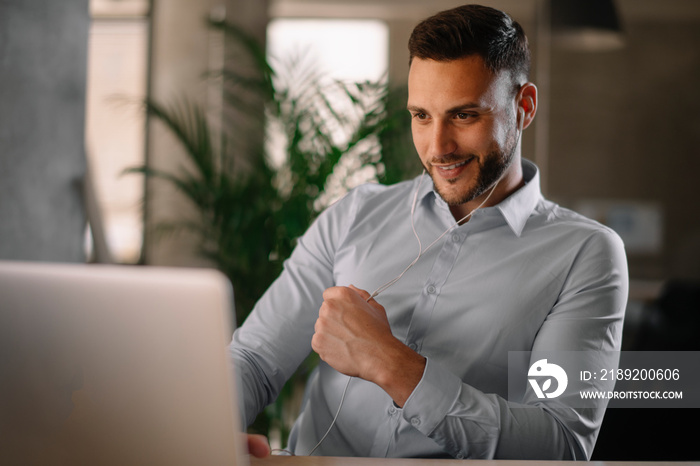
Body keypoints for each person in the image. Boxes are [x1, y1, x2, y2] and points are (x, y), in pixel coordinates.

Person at [231, 3, 628, 460]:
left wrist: (392, 363)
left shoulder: (586, 254)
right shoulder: (354, 214)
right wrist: (206, 426)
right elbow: (255, 360)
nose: (438, 147)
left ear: (524, 107)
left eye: (464, 116)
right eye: (421, 116)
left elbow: (560, 444)